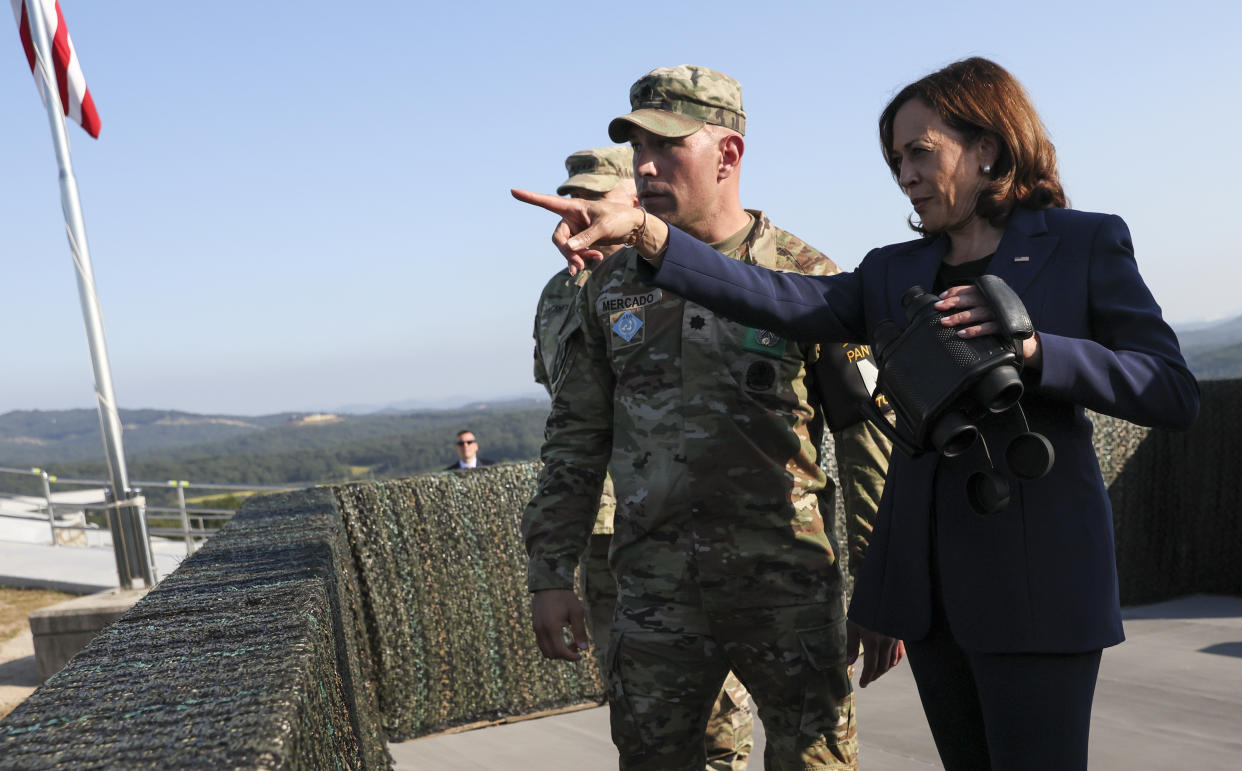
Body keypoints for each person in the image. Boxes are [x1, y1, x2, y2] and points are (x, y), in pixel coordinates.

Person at [514, 57, 1200, 771]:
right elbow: (773, 297)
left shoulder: (1081, 244)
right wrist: (648, 237)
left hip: (1037, 587)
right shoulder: (894, 271)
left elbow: (1171, 388)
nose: (903, 172)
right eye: (894, 157)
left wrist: (1034, 348)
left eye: (920, 153)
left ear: (988, 148)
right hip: (937, 601)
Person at [521, 65, 899, 770]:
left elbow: (866, 438)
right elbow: (575, 437)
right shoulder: (608, 288)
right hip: (654, 597)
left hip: (786, 589)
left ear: (729, 155)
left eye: (668, 146)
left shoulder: (804, 276)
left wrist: (885, 582)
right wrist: (550, 571)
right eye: (637, 148)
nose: (646, 165)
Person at [532, 144, 755, 770]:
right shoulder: (562, 295)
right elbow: (570, 420)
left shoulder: (700, 274)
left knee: (720, 721)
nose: (577, 223)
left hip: (715, 539)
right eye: (573, 208)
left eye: (595, 207)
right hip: (617, 534)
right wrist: (554, 564)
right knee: (640, 706)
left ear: (637, 205)